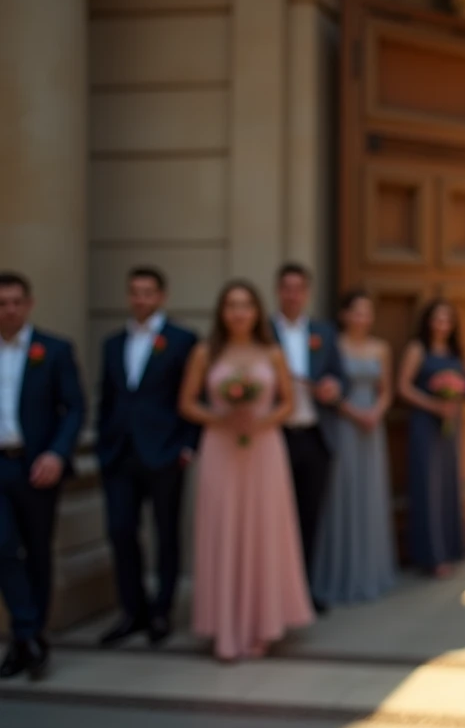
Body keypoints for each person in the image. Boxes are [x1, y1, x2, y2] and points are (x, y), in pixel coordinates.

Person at [180, 280, 313, 661]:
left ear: (257, 311)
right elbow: (188, 403)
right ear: (222, 312)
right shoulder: (205, 352)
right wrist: (221, 417)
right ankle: (224, 627)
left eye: (246, 305)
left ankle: (262, 627)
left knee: (262, 530)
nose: (239, 312)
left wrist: (260, 422)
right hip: (220, 449)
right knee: (223, 528)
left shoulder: (272, 353)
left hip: (264, 447)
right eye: (231, 305)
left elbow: (288, 403)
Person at [95, 267, 199, 648]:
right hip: (120, 454)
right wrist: (104, 445)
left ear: (162, 296)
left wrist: (188, 445)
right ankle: (131, 610)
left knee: (166, 532)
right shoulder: (112, 343)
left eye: (148, 293)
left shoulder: (181, 339)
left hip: (166, 453)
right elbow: (107, 398)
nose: (140, 299)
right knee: (121, 531)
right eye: (134, 292)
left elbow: (194, 394)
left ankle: (161, 611)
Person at [0, 273, 85, 680]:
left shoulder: (53, 350)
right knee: (2, 548)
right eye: (2, 303)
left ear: (29, 304)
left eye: (16, 301)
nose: (9, 309)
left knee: (36, 551)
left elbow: (75, 408)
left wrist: (57, 452)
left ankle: (29, 641)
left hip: (37, 467)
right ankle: (27, 632)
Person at [311, 290, 397, 604]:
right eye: (357, 311)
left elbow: (386, 390)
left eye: (367, 312)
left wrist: (376, 411)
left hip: (372, 428)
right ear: (344, 314)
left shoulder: (381, 348)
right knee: (341, 493)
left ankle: (369, 571)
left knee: (369, 494)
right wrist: (352, 412)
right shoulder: (332, 345)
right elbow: (325, 387)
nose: (362, 318)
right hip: (343, 425)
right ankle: (338, 573)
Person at [270, 263, 344, 614]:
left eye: (299, 288)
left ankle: (302, 593)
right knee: (273, 519)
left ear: (307, 293)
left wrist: (333, 387)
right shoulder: (264, 332)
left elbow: (338, 377)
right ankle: (273, 593)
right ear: (277, 291)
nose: (292, 294)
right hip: (274, 437)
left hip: (315, 436)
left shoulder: (323, 332)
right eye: (286, 287)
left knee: (309, 518)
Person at [397, 299, 465, 577]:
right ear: (428, 321)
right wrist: (433, 405)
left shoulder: (453, 350)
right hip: (425, 423)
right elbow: (402, 387)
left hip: (449, 426)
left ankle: (451, 549)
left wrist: (451, 404)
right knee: (427, 486)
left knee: (448, 485)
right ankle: (431, 557)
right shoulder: (417, 349)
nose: (442, 324)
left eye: (447, 319)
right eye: (437, 319)